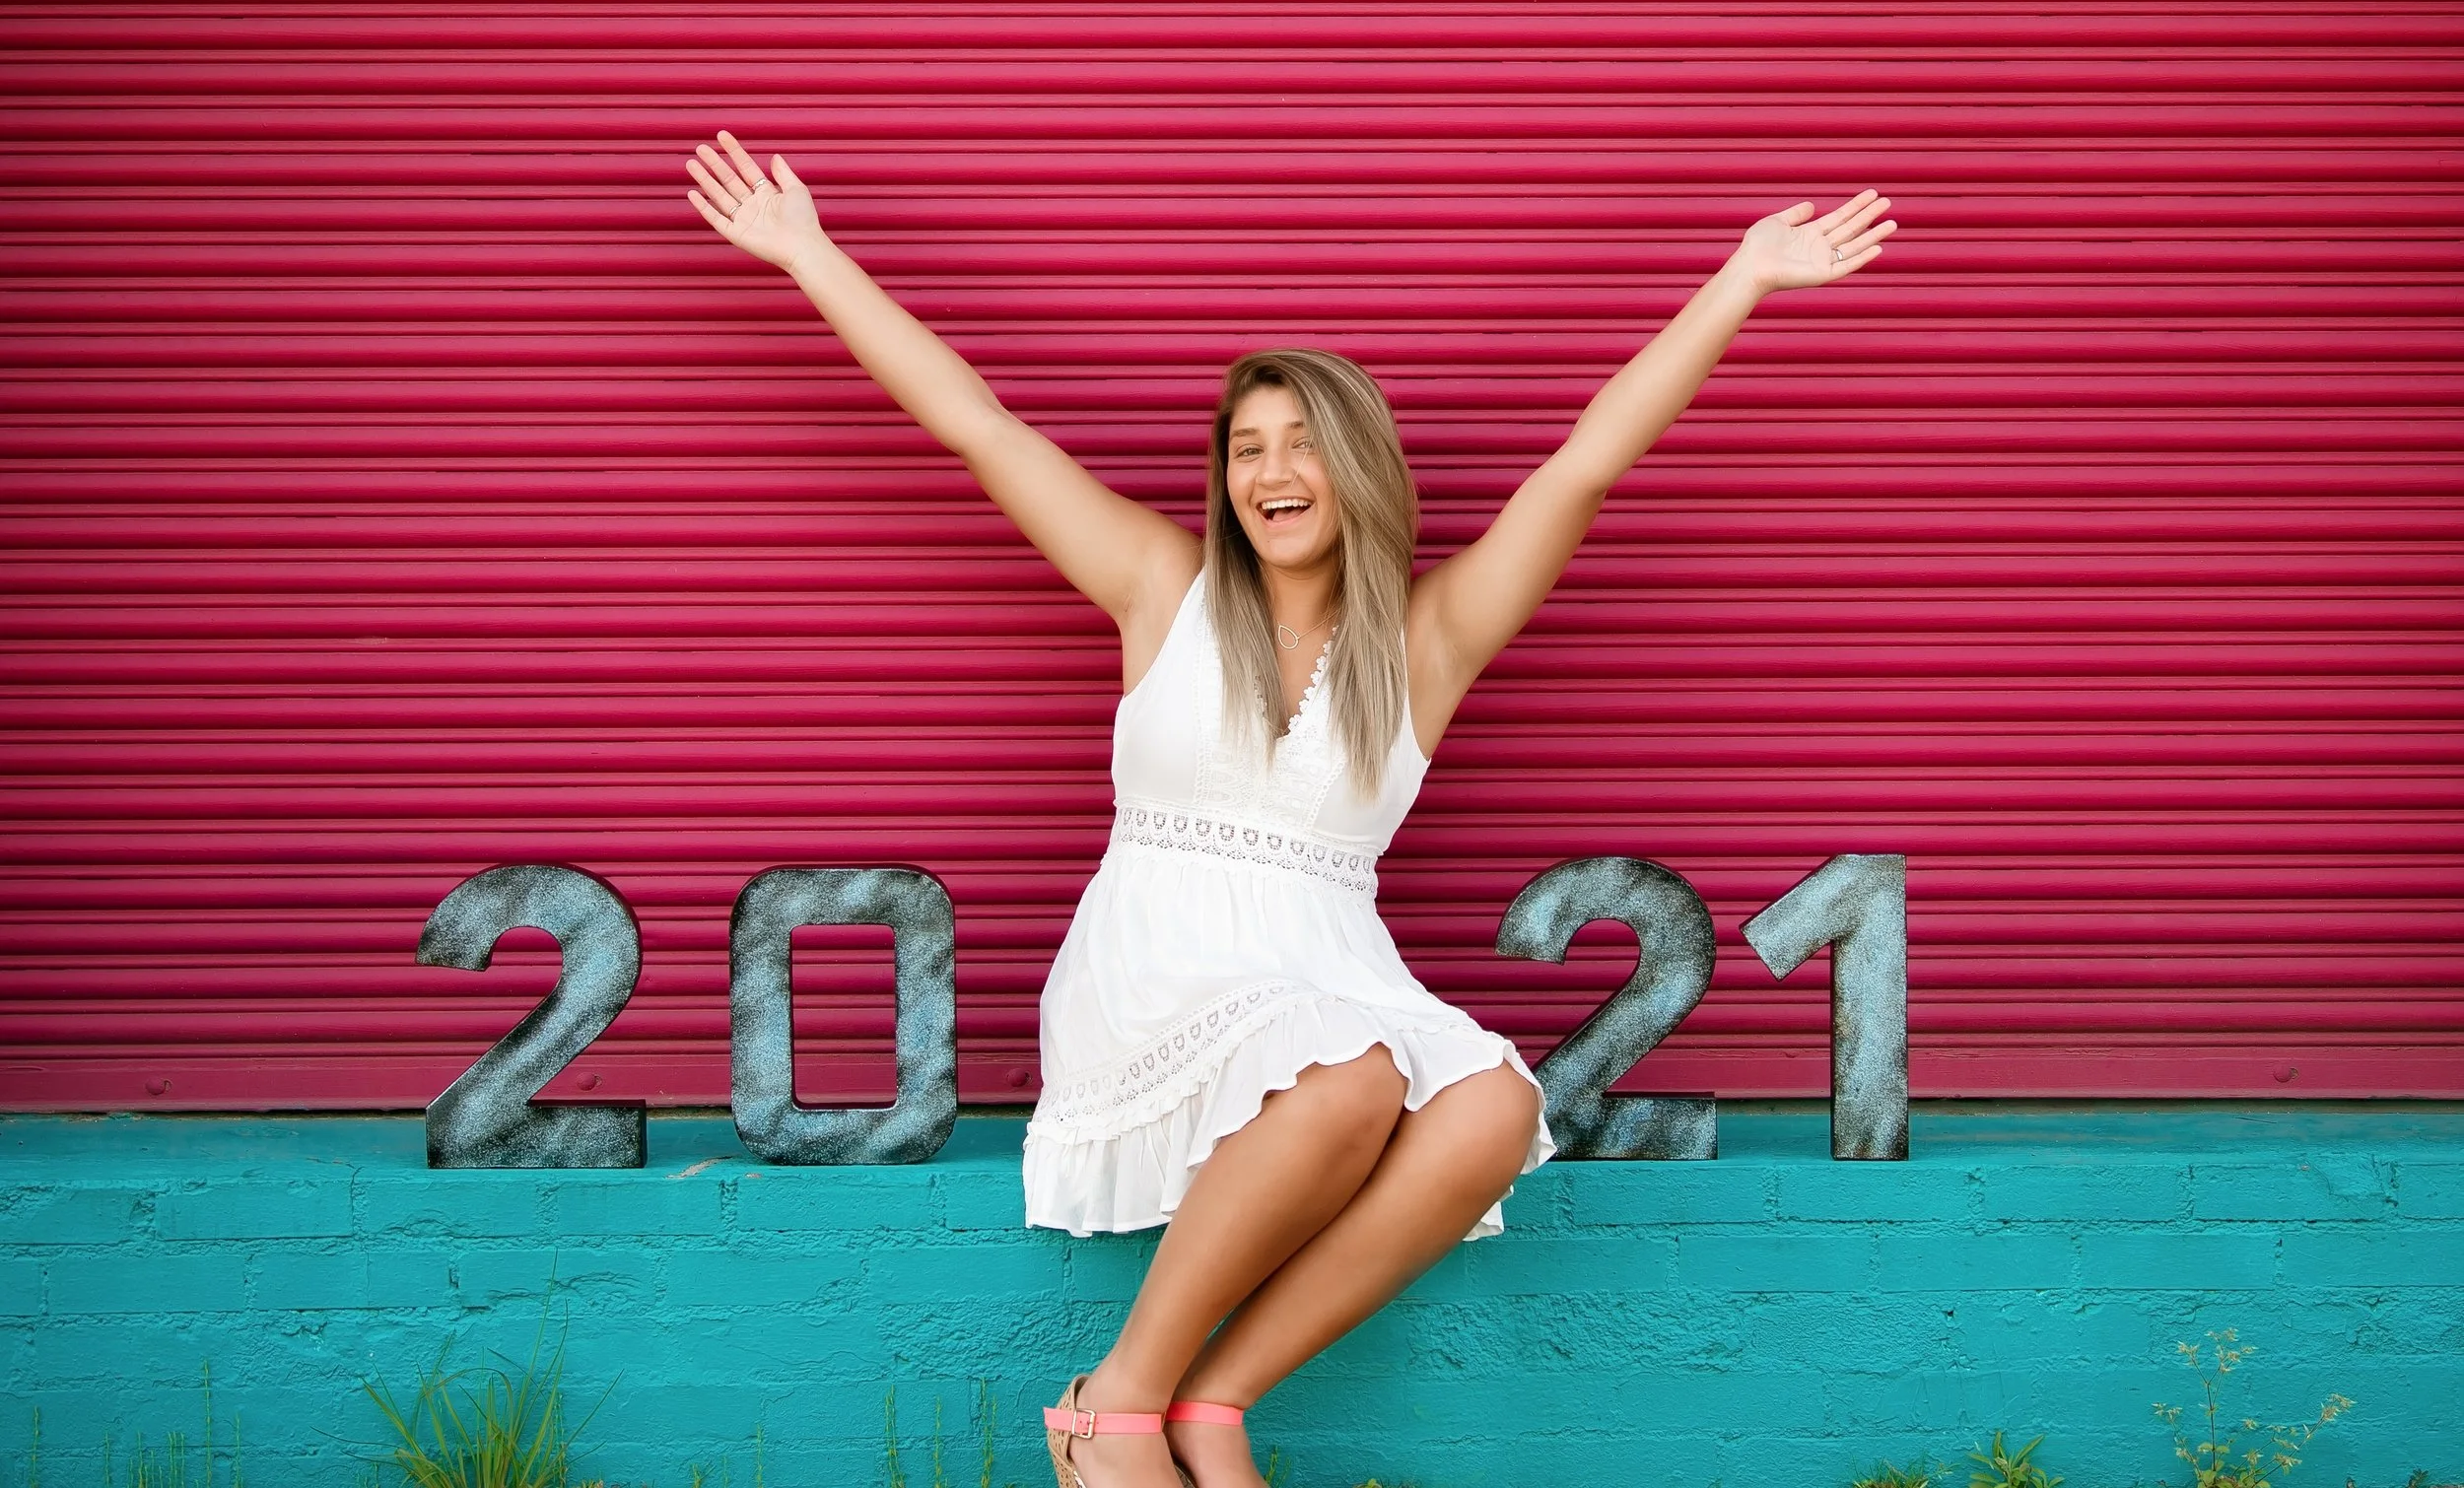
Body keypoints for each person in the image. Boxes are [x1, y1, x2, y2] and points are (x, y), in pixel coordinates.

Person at [685, 131, 1892, 1488]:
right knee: (1351, 1074)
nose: (1272, 468)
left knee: (1494, 1104)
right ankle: (1111, 1406)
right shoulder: (1162, 588)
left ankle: (1214, 1404)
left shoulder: (1428, 642)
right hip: (1163, 960)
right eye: (1247, 444)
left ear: (1356, 465)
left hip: (1324, 961)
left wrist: (1739, 279)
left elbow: (1578, 473)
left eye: (1303, 440)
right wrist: (809, 257)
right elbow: (979, 426)